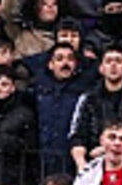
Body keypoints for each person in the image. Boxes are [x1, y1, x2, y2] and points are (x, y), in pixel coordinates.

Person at [32, 41, 93, 176]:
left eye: (70, 59)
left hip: (72, 157)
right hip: (42, 157)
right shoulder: (38, 90)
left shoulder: (86, 91)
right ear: (50, 65)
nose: (65, 63)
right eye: (59, 59)